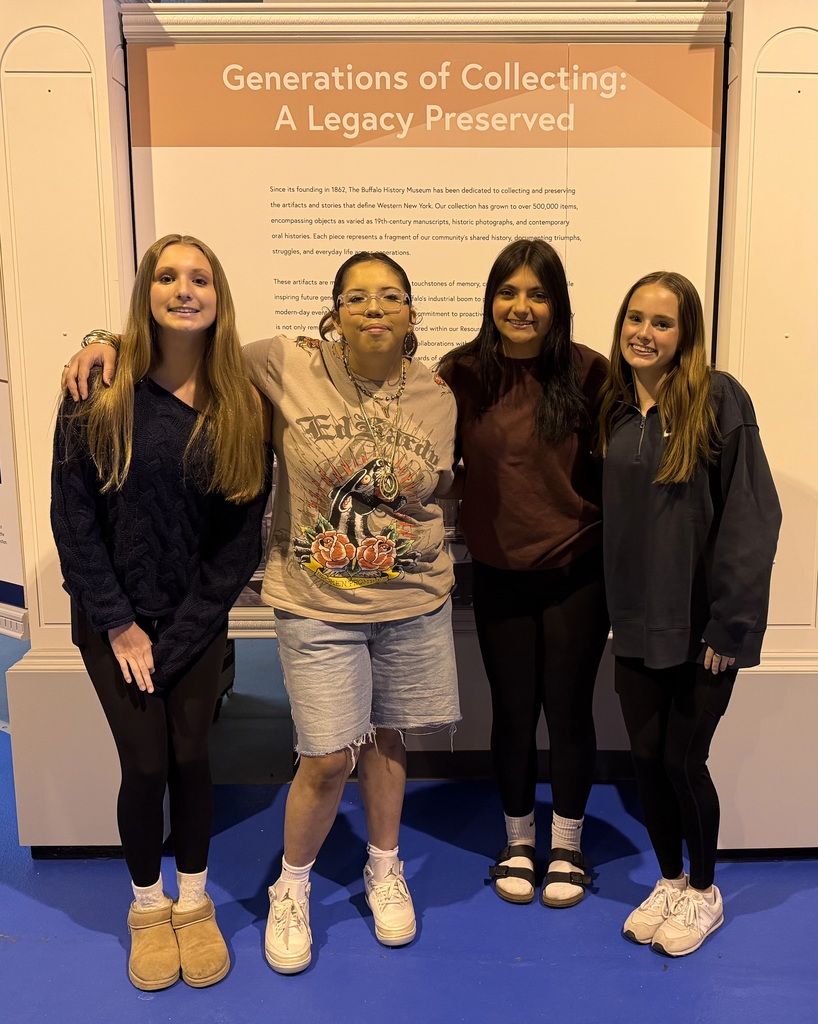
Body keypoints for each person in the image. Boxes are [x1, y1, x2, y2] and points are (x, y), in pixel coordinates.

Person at [64, 251, 461, 975]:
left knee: (387, 739)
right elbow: (188, 339)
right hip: (314, 601)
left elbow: (437, 491)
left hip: (410, 601)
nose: (374, 307)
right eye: (357, 297)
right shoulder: (283, 362)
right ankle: (289, 886)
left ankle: (383, 868)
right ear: (333, 313)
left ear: (412, 312)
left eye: (391, 295)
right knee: (324, 755)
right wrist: (106, 341)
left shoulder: (439, 393)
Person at [51, 234, 270, 990]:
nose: (184, 289)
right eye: (168, 276)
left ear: (219, 297)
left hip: (194, 619)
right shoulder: (98, 391)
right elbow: (73, 519)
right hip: (111, 618)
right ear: (146, 293)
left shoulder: (243, 406)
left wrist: (180, 636)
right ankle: (149, 906)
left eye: (200, 278)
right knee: (145, 763)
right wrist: (119, 623)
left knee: (192, 756)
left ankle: (195, 902)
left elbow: (239, 541)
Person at [596, 271, 781, 956]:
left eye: (662, 322)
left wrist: (731, 623)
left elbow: (753, 516)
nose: (644, 332)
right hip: (634, 625)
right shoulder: (614, 409)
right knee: (646, 761)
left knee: (682, 760)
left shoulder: (719, 399)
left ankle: (705, 892)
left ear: (687, 334)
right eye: (635, 317)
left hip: (704, 630)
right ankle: (670, 880)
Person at [438, 239, 610, 909]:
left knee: (567, 709)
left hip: (576, 566)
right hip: (498, 569)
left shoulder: (591, 373)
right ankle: (517, 840)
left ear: (557, 303)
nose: (521, 306)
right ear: (490, 300)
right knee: (512, 710)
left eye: (537, 293)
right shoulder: (460, 373)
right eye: (508, 292)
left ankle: (565, 845)